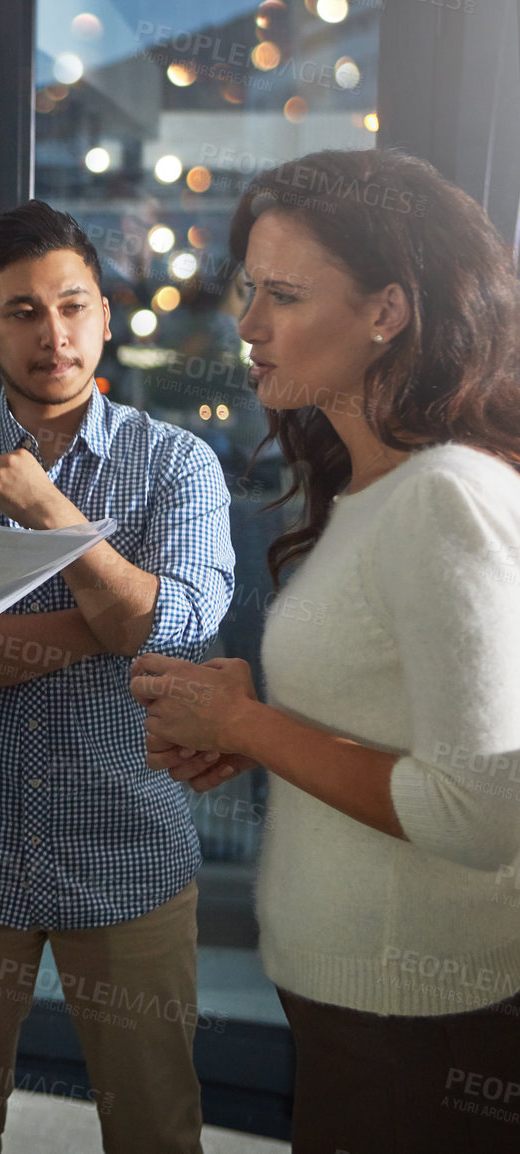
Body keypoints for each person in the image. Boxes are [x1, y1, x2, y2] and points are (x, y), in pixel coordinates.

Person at [132, 148, 520, 1153]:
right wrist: (257, 728)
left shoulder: (443, 497)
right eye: (249, 289)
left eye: (287, 295)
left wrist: (244, 721)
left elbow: (479, 810)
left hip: (416, 1022)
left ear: (388, 309)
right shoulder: (374, 486)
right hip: (368, 1006)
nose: (249, 324)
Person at [0, 200, 234, 1153]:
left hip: (128, 849)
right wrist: (112, 619)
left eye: (72, 305)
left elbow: (178, 626)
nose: (53, 333)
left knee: (154, 1124)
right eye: (22, 312)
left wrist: (46, 511)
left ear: (105, 316)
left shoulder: (175, 466)